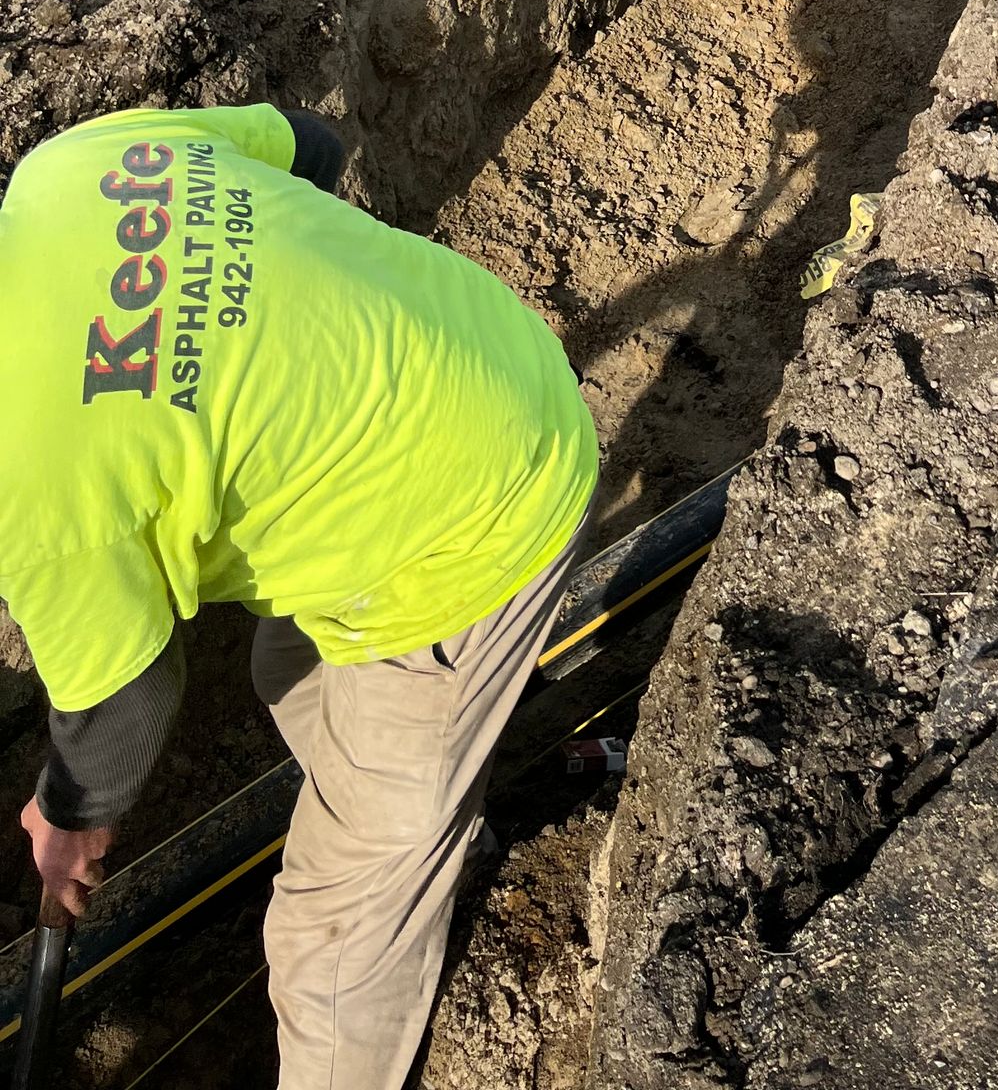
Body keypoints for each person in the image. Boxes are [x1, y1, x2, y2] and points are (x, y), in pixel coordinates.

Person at [0, 101, 600, 1090]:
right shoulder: (71, 168)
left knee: (326, 941)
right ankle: (434, 836)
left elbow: (128, 701)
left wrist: (70, 820)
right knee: (288, 665)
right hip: (478, 346)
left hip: (470, 526)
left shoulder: (33, 487)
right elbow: (308, 141)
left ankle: (392, 883)